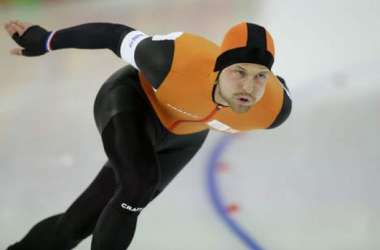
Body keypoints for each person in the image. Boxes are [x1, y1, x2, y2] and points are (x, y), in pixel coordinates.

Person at [3, 19, 292, 250]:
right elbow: (114, 35)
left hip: (184, 138)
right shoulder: (170, 60)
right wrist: (46, 40)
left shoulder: (272, 110)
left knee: (77, 225)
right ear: (218, 67)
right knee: (139, 184)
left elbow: (279, 85)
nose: (248, 88)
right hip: (133, 102)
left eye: (259, 76)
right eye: (238, 72)